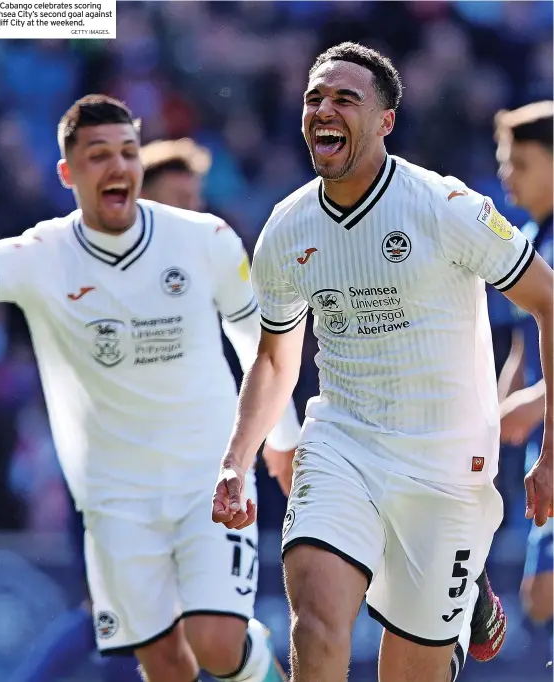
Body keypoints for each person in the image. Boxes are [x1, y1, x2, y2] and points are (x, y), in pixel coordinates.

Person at [212, 42, 553, 682]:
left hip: (447, 463)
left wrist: (553, 451)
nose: (324, 109)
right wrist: (236, 461)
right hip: (343, 444)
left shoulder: (445, 207)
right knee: (313, 624)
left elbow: (550, 302)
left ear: (386, 121)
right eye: (315, 97)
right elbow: (276, 358)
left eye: (346, 98)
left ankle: (457, 597)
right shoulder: (286, 228)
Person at [0, 94, 301, 682]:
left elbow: (259, 341)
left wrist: (280, 436)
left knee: (216, 642)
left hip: (208, 479)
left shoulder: (203, 238)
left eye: (128, 151)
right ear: (67, 172)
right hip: (113, 500)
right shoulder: (43, 254)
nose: (118, 166)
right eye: (98, 154)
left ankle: (261, 666)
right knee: (162, 664)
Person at [140, 137, 298, 495]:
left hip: (209, 452)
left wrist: (283, 435)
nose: (194, 209)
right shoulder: (102, 269)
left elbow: (260, 346)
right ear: (143, 200)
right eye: (180, 199)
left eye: (196, 198)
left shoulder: (217, 256)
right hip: (128, 460)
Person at [494, 101, 553, 628]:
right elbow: (522, 345)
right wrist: (493, 413)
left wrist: (532, 406)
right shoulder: (529, 244)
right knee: (540, 599)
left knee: (544, 593)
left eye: (522, 162)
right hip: (543, 448)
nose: (506, 175)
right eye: (504, 162)